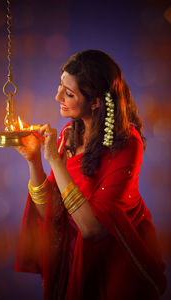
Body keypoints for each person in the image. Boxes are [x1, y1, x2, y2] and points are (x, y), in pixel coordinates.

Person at [13, 50, 167, 300]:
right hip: (74, 259)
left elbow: (93, 229)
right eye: (60, 87)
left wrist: (53, 158)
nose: (57, 97)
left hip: (114, 264)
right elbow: (52, 214)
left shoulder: (127, 143)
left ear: (96, 101)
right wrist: (34, 161)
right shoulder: (67, 135)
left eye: (69, 94)